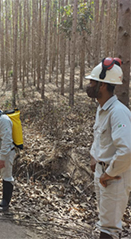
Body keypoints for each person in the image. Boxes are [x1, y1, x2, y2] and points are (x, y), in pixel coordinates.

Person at [85, 57, 131, 239]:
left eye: (92, 82)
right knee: (105, 221)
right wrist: (94, 157)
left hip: (115, 177)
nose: (88, 85)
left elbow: (127, 150)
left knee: (110, 229)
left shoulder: (118, 112)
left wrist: (109, 173)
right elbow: (99, 137)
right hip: (103, 174)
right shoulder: (102, 108)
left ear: (102, 85)